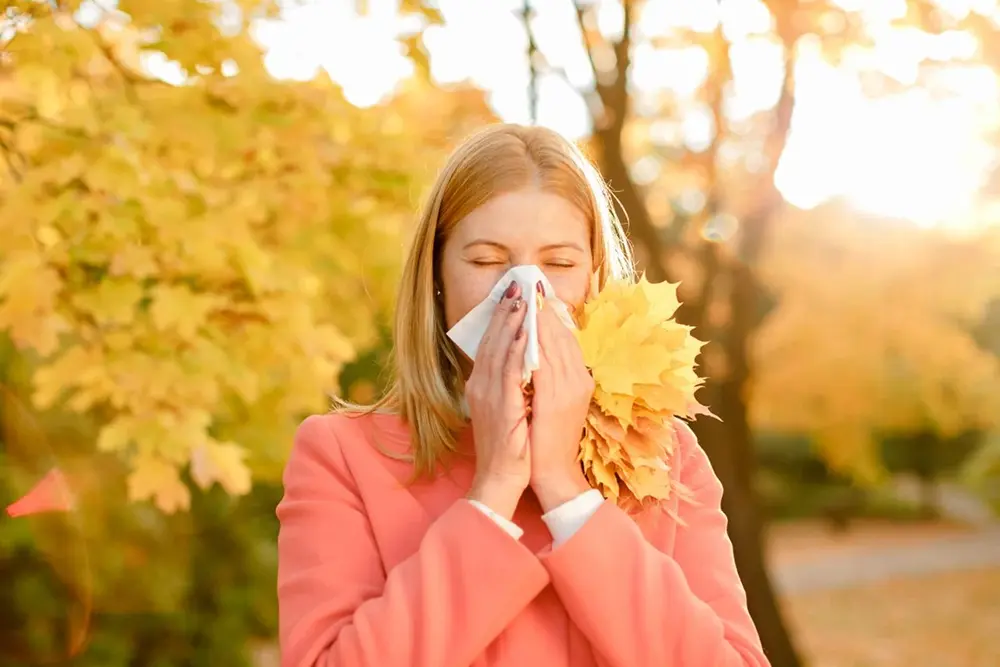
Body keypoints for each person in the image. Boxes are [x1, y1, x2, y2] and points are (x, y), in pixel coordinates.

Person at [276, 123, 769, 667]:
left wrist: (565, 489)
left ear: (594, 280)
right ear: (436, 278)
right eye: (487, 260)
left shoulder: (667, 457)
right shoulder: (342, 455)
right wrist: (492, 491)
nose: (523, 292)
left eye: (558, 264)